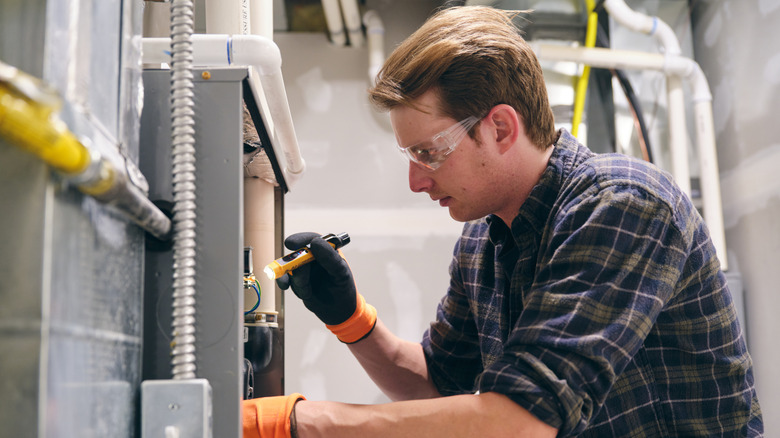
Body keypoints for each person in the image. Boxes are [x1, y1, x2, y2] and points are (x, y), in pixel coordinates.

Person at [243, 5, 763, 437]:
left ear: (500, 127)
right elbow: (439, 383)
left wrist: (297, 422)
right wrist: (352, 319)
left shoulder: (624, 204)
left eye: (428, 152)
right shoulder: (482, 241)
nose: (416, 182)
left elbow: (520, 421)